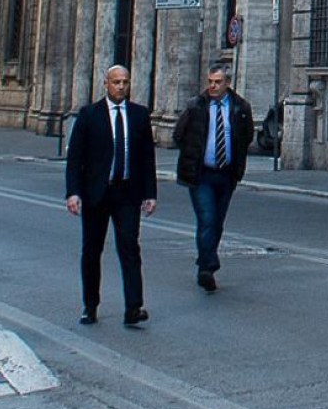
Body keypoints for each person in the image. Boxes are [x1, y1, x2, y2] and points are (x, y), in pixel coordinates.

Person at [65, 65, 158, 327]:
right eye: (116, 82)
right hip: (96, 193)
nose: (121, 87)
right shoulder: (89, 115)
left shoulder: (139, 115)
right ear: (106, 83)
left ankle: (133, 307)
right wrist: (73, 192)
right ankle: (90, 304)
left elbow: (147, 157)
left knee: (130, 247)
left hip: (127, 193)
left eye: (125, 82)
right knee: (92, 250)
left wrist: (150, 194)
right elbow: (75, 158)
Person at [173, 63, 254, 292]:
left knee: (217, 222)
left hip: (226, 174)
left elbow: (246, 137)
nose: (213, 86)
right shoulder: (196, 106)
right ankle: (207, 267)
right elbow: (179, 134)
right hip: (201, 174)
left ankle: (206, 260)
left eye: (218, 82)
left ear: (228, 83)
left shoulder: (241, 107)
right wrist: (193, 155)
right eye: (210, 81)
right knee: (207, 218)